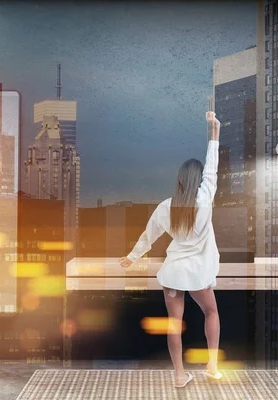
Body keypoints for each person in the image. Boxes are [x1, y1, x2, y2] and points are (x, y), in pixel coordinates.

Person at [119, 111, 222, 388]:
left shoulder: (166, 207)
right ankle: (211, 365)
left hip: (174, 273)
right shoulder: (205, 199)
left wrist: (131, 258)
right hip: (198, 274)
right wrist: (215, 130)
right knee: (211, 313)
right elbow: (212, 166)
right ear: (198, 181)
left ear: (179, 181)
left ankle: (179, 375)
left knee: (174, 324)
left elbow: (148, 236)